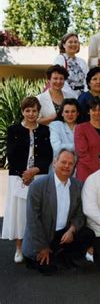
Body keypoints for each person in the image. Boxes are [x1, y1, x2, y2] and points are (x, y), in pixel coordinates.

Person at [22, 149, 94, 275]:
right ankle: (51, 256)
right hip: (42, 237)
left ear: (74, 167)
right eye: (63, 162)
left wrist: (71, 230)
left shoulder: (77, 186)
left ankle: (64, 255)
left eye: (70, 164)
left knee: (87, 233)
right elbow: (33, 220)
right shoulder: (38, 185)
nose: (67, 166)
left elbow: (80, 214)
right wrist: (43, 247)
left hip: (63, 235)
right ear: (54, 163)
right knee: (49, 270)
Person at [2, 97, 53, 263]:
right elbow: (12, 154)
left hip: (39, 175)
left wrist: (35, 170)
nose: (31, 114)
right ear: (22, 111)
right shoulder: (13, 130)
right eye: (28, 110)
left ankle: (39, 246)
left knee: (38, 211)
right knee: (20, 213)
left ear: (39, 112)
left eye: (34, 110)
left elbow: (48, 155)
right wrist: (25, 174)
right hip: (19, 177)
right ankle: (19, 248)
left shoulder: (45, 130)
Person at [74, 97, 100, 182]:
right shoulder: (81, 128)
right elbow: (82, 153)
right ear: (88, 111)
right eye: (94, 110)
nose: (97, 113)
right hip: (87, 174)